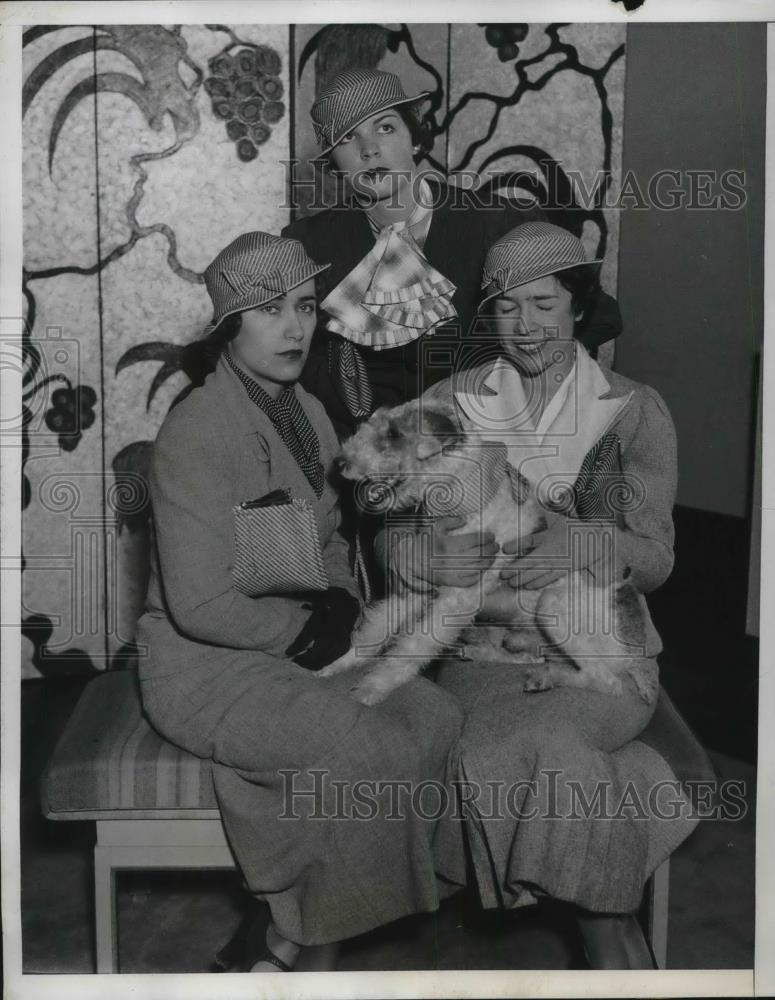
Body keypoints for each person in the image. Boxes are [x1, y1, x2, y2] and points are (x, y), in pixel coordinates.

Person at [135, 231, 464, 973]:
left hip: (293, 644)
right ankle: (300, 953)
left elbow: (330, 548)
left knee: (437, 716)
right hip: (205, 665)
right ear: (228, 325)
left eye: (306, 307)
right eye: (268, 310)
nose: (294, 327)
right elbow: (199, 605)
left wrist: (345, 608)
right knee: (362, 741)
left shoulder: (310, 412)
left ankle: (285, 939)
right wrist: (311, 632)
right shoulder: (195, 431)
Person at [417, 222, 699, 968]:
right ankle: (617, 932)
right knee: (504, 746)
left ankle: (605, 941)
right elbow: (413, 539)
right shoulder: (450, 403)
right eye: (507, 308)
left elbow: (656, 558)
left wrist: (581, 541)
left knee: (536, 743)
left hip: (605, 654)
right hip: (484, 652)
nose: (525, 326)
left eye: (543, 304)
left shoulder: (633, 409)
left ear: (577, 306)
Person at [283, 68, 623, 441]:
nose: (369, 150)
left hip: (491, 438)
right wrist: (351, 399)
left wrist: (507, 387)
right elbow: (292, 350)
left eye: (385, 128)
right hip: (365, 447)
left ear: (414, 139)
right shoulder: (309, 243)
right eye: (348, 138)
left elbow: (598, 317)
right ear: (334, 162)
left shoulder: (500, 222)